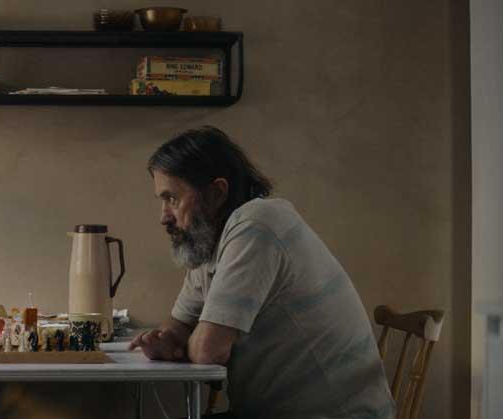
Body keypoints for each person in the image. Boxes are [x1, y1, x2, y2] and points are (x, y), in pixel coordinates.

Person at [129, 126, 395, 419]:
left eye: (172, 198)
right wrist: (170, 338)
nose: (164, 217)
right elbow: (177, 325)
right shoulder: (210, 245)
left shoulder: (257, 226)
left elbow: (208, 351)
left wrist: (184, 343)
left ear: (216, 193)